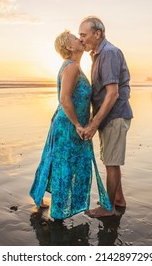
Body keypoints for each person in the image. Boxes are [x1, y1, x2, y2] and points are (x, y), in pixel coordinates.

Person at [29, 30, 112, 220]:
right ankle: (58, 210)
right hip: (68, 125)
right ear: (68, 47)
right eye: (76, 38)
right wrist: (78, 124)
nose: (80, 39)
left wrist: (89, 120)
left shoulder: (74, 66)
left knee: (59, 162)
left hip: (70, 124)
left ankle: (48, 201)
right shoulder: (71, 67)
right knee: (63, 165)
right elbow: (64, 99)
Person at [79, 16, 133, 217]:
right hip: (110, 117)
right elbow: (101, 93)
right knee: (111, 160)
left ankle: (108, 208)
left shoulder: (108, 53)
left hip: (115, 116)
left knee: (111, 162)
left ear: (97, 33)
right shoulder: (99, 55)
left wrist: (93, 124)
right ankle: (118, 199)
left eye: (84, 35)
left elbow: (112, 93)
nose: (81, 39)